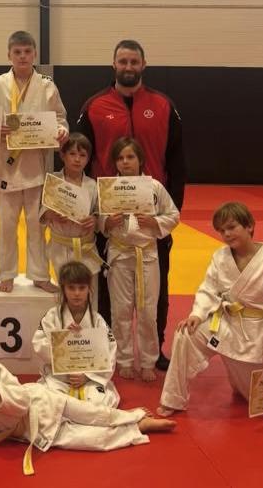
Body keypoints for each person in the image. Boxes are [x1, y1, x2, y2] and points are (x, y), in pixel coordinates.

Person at [0, 329, 173, 472]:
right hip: (32, 429)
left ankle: (134, 416)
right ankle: (136, 430)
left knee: (94, 413)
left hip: (41, 401)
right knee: (91, 440)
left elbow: (21, 400)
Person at [76, 39, 185, 370]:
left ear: (143, 65)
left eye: (134, 62)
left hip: (152, 215)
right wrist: (91, 211)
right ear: (114, 65)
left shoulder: (163, 105)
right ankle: (113, 351)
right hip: (110, 214)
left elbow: (177, 161)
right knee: (110, 290)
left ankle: (155, 350)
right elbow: (79, 157)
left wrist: (169, 214)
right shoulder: (95, 106)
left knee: (156, 291)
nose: (128, 67)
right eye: (122, 61)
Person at [157, 201, 263, 417]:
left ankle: (240, 383)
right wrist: (197, 314)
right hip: (225, 325)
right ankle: (173, 399)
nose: (227, 234)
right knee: (185, 334)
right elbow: (209, 288)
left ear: (249, 225)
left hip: (256, 335)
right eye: (222, 230)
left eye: (232, 227)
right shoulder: (220, 257)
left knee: (259, 406)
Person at [0, 30, 68, 294]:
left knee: (37, 225)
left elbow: (60, 118)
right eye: (17, 52)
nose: (22, 56)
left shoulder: (47, 86)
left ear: (34, 54)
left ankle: (40, 275)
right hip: (7, 166)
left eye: (27, 51)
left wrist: (61, 131)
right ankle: (7, 274)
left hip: (35, 167)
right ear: (9, 55)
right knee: (6, 226)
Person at [102, 138, 179, 382]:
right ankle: (124, 359)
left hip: (147, 254)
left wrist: (155, 222)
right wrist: (107, 222)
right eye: (120, 158)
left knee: (147, 311)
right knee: (120, 310)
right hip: (119, 254)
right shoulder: (109, 188)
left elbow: (173, 215)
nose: (125, 162)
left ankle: (148, 360)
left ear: (140, 160)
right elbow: (97, 219)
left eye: (130, 157)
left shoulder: (154, 187)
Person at [31, 261, 119, 408]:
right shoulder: (52, 317)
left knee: (98, 403)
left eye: (82, 288)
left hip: (90, 379)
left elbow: (109, 351)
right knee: (51, 403)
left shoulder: (97, 320)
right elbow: (39, 344)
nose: (77, 293)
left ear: (89, 289)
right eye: (71, 288)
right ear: (63, 289)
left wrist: (87, 376)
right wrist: (65, 338)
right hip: (59, 378)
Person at [41, 133, 102, 294]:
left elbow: (98, 213)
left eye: (82, 155)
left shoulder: (92, 185)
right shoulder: (53, 181)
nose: (77, 159)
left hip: (86, 248)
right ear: (62, 155)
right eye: (72, 154)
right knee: (65, 294)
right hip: (60, 248)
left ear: (88, 159)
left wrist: (94, 220)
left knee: (89, 294)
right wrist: (50, 215)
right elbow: (42, 212)